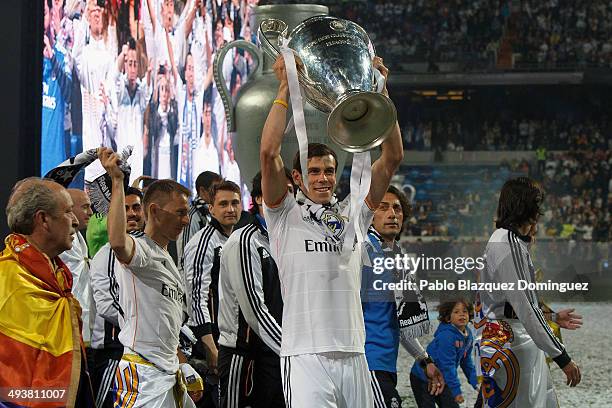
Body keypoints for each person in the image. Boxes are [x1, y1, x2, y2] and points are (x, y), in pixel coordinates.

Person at [259, 55, 404, 407]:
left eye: (328, 170)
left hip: (355, 352)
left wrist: (380, 93)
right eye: (314, 171)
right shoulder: (284, 214)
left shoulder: (353, 213)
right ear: (297, 178)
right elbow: (268, 152)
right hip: (305, 355)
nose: (323, 178)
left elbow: (393, 157)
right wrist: (284, 88)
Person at [98, 147, 201, 407]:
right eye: (180, 212)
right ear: (154, 211)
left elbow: (165, 323)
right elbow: (118, 242)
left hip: (169, 374)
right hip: (142, 377)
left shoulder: (167, 256)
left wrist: (181, 363)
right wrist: (118, 181)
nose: (187, 220)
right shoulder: (140, 249)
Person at [477, 177, 582, 407]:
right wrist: (562, 357)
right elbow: (525, 309)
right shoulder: (508, 244)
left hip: (503, 339)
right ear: (525, 206)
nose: (540, 210)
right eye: (536, 203)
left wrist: (552, 317)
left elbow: (513, 304)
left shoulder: (504, 241)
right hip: (512, 344)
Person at [0, 178, 94, 406]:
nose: (74, 221)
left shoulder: (58, 279)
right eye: (68, 211)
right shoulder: (8, 278)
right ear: (43, 219)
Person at [361, 186, 444, 408]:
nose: (392, 214)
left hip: (386, 366)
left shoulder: (399, 258)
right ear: (369, 214)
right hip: (366, 366)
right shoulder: (363, 254)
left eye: (397, 208)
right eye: (383, 207)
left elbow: (402, 321)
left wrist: (425, 360)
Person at [217, 171, 294, 408]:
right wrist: (292, 351)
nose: (287, 198)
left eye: (291, 192)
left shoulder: (290, 240)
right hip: (245, 355)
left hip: (278, 354)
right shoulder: (244, 240)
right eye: (280, 190)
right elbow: (254, 311)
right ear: (259, 198)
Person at [183, 180, 243, 407]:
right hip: (211, 339)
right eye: (224, 204)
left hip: (233, 339)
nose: (230, 209)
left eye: (235, 203)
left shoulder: (237, 239)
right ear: (211, 209)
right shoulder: (203, 243)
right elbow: (195, 297)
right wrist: (209, 346)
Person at [89, 187, 145, 407]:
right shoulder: (105, 254)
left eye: (136, 207)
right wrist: (142, 327)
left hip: (143, 351)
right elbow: (106, 305)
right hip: (115, 352)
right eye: (125, 208)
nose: (132, 213)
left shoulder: (151, 249)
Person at [72, 0, 116, 181]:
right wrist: (85, 16)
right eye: (94, 13)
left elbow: (112, 84)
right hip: (91, 122)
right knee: (93, 174)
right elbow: (75, 57)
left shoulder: (110, 53)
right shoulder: (86, 53)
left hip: (110, 122)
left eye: (100, 12)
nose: (97, 14)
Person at [410, 299, 478, 408]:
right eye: (456, 312)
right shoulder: (446, 337)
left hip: (443, 378)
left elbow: (467, 363)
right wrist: (456, 392)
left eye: (464, 311)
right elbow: (448, 365)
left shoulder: (468, 335)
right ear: (448, 318)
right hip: (422, 377)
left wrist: (477, 384)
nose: (461, 314)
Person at [103, 37, 152, 184]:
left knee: (136, 193)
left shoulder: (140, 91)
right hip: (122, 153)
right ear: (125, 66)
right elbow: (114, 78)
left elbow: (148, 92)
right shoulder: (120, 91)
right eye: (129, 64)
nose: (132, 68)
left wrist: (149, 73)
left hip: (136, 156)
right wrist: (123, 55)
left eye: (135, 64)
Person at [59, 188, 94, 344]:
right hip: (65, 322)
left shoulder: (79, 237)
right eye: (85, 207)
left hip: (86, 319)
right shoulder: (58, 240)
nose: (91, 212)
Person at [42, 0, 72, 176]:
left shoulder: (60, 56)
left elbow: (68, 95)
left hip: (53, 157)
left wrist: (52, 58)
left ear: (53, 15)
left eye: (44, 13)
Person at [177, 170, 222, 264]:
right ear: (202, 191)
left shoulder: (212, 214)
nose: (219, 193)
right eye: (215, 189)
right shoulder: (192, 216)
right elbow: (185, 255)